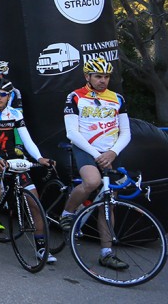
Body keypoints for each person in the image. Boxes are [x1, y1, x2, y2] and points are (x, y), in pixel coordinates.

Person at [0, 78, 55, 262]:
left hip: (12, 158)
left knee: (35, 204)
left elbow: (27, 140)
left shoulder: (15, 114)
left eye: (3, 94)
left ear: (9, 96)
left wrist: (39, 158)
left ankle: (41, 247)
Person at [60, 57, 131, 270]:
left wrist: (112, 152)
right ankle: (68, 213)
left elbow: (126, 132)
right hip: (86, 149)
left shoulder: (117, 98)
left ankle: (106, 253)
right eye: (98, 76)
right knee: (92, 182)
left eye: (106, 76)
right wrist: (97, 155)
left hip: (111, 152)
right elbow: (72, 132)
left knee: (109, 203)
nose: (103, 80)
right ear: (87, 76)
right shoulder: (75, 96)